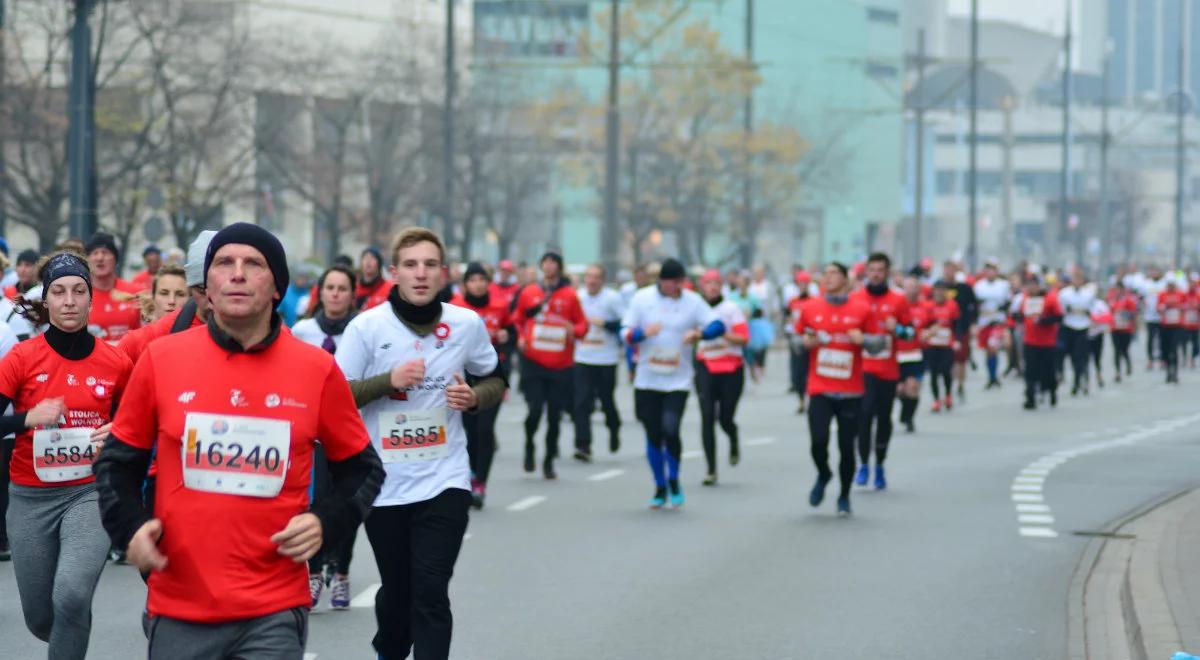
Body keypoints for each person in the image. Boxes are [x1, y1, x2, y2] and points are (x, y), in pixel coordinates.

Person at [94, 223, 384, 660]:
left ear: (276, 287)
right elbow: (117, 462)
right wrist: (130, 528)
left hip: (273, 607)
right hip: (178, 604)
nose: (237, 273)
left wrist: (325, 520)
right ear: (206, 286)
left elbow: (362, 469)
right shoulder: (161, 360)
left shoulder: (316, 370)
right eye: (224, 263)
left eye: (254, 264)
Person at [336, 227, 505, 660]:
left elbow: (494, 377)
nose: (421, 273)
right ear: (394, 272)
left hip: (444, 480)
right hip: (385, 485)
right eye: (411, 264)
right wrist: (387, 381)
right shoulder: (367, 328)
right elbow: (336, 395)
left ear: (444, 272)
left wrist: (473, 398)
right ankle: (389, 649)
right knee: (398, 592)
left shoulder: (466, 324)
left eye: (430, 264)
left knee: (430, 590)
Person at [2, 252, 133, 659]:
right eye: (59, 292)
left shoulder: (116, 361)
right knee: (42, 618)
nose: (70, 300)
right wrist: (25, 419)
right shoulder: (21, 358)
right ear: (47, 301)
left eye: (79, 291)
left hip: (90, 494)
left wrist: (117, 434)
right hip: (29, 498)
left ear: (91, 300)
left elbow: (136, 429)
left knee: (72, 595)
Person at [622, 258, 722, 508]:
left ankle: (674, 479)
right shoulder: (642, 299)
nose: (671, 287)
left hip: (678, 379)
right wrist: (643, 333)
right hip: (647, 378)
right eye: (667, 283)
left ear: (681, 282)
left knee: (671, 428)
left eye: (676, 283)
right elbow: (624, 332)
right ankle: (659, 485)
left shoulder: (692, 300)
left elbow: (718, 325)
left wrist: (699, 334)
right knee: (653, 433)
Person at [290, 264, 360, 610]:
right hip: (312, 433)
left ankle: (342, 572)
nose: (335, 294)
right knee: (315, 501)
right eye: (329, 287)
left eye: (342, 288)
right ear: (321, 292)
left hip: (350, 431)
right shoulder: (303, 330)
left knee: (347, 501)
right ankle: (315, 571)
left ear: (351, 294)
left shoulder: (363, 331)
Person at [796, 262, 876, 516]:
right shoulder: (810, 307)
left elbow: (879, 343)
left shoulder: (862, 309)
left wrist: (864, 340)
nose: (828, 278)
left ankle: (844, 495)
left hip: (851, 389)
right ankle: (824, 473)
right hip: (820, 387)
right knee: (818, 441)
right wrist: (805, 342)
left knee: (845, 447)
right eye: (826, 273)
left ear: (846, 280)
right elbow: (797, 340)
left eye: (834, 274)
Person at [512, 252, 588, 480]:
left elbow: (582, 325)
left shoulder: (569, 295)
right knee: (535, 410)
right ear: (541, 266)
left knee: (554, 415)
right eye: (545, 262)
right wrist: (521, 338)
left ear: (560, 267)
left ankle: (548, 459)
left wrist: (574, 330)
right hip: (534, 362)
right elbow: (517, 319)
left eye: (553, 263)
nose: (549, 266)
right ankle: (529, 445)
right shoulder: (530, 292)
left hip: (561, 365)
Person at [450, 262, 516, 508]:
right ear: (465, 284)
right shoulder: (454, 307)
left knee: (485, 429)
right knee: (468, 429)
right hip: (462, 376)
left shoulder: (499, 305)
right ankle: (469, 474)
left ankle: (481, 482)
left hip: (491, 375)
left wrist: (506, 337)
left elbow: (512, 331)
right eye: (472, 280)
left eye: (481, 279)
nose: (477, 284)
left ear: (488, 283)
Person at [849, 252, 911, 491]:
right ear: (866, 271)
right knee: (864, 416)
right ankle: (863, 464)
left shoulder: (898, 300)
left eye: (880, 270)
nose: (875, 274)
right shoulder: (855, 299)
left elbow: (911, 333)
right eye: (872, 269)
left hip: (888, 370)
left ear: (887, 273)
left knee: (883, 419)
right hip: (863, 368)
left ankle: (880, 465)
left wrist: (898, 330)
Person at [694, 269, 748, 486]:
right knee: (707, 417)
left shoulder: (731, 309)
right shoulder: (696, 309)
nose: (713, 287)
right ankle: (711, 469)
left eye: (717, 283)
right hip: (706, 367)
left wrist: (720, 332)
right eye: (709, 283)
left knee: (725, 418)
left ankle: (733, 435)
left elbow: (743, 338)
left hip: (731, 369)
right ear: (702, 286)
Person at [573, 264, 625, 461]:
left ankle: (614, 427)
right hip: (583, 356)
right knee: (581, 402)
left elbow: (625, 323)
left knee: (606, 401)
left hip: (606, 358)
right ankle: (583, 444)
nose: (592, 281)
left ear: (602, 280)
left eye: (596, 277)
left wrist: (606, 324)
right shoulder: (578, 296)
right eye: (589, 277)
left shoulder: (612, 298)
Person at [1013, 276, 1063, 409]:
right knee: (1030, 370)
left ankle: (1052, 391)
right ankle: (1030, 397)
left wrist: (1043, 321)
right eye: (1029, 285)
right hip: (1030, 340)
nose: (1031, 288)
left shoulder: (1050, 299)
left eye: (1034, 285)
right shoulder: (1025, 299)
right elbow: (1020, 315)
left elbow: (1058, 317)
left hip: (1047, 341)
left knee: (1048, 370)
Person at [84, 232, 142, 343]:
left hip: (128, 357)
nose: (100, 258)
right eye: (95, 253)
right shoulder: (81, 296)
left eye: (105, 253)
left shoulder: (134, 293)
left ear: (115, 259)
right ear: (88, 261)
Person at [939, 261, 977, 400]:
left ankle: (960, 383)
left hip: (962, 327)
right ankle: (950, 384)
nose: (948, 272)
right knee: (949, 359)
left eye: (951, 269)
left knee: (961, 358)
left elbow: (974, 306)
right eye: (946, 269)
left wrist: (973, 324)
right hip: (944, 329)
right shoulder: (939, 288)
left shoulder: (964, 288)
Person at [896, 275, 928, 433]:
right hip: (897, 354)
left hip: (915, 353)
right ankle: (904, 412)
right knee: (899, 389)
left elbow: (935, 324)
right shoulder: (896, 306)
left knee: (913, 388)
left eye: (913, 286)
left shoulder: (925, 307)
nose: (911, 290)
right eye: (907, 286)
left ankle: (909, 418)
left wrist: (928, 332)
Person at [1058, 268, 1097, 395]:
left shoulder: (1089, 294)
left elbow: (1092, 311)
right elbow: (1061, 310)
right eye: (1075, 279)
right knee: (1069, 355)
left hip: (1082, 327)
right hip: (1069, 326)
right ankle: (1070, 377)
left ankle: (1079, 380)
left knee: (1080, 356)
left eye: (1079, 279)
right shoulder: (1064, 293)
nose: (1077, 281)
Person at [973, 261, 1011, 389]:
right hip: (984, 321)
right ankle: (991, 376)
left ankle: (994, 376)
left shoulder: (1003, 285)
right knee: (988, 351)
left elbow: (1008, 302)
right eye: (988, 270)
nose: (990, 272)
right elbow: (975, 304)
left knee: (993, 347)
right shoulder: (979, 286)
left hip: (997, 321)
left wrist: (1003, 308)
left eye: (993, 270)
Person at [923, 281, 960, 412]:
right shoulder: (928, 305)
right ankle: (936, 400)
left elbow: (956, 323)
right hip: (932, 343)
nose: (939, 292)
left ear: (946, 291)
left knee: (946, 370)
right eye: (937, 290)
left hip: (946, 343)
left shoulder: (952, 305)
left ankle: (948, 395)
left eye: (942, 290)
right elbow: (924, 324)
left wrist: (957, 340)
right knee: (933, 373)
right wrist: (929, 330)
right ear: (933, 291)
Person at [785, 271, 812, 413]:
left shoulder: (813, 301)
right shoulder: (792, 301)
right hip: (795, 339)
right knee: (797, 373)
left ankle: (808, 399)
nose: (803, 286)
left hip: (809, 339)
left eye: (805, 283)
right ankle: (801, 401)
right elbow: (787, 316)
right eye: (800, 284)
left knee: (809, 371)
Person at [1157, 278, 1187, 384]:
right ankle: (1168, 372)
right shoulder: (1162, 295)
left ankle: (1175, 373)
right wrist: (1165, 307)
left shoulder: (1181, 294)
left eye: (1172, 285)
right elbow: (1158, 308)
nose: (1170, 287)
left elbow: (1186, 306)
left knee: (1174, 350)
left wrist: (1177, 306)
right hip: (1165, 326)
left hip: (1177, 326)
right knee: (1166, 351)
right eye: (1169, 285)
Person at [1107, 281, 1138, 382]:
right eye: (1116, 289)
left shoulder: (1128, 300)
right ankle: (1117, 372)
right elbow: (1108, 313)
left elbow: (1133, 313)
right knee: (1116, 350)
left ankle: (1128, 364)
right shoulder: (1111, 301)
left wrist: (1124, 313)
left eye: (1119, 289)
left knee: (1124, 350)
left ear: (1123, 290)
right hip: (1115, 329)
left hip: (1126, 329)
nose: (1118, 291)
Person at [1087, 293, 1112, 387]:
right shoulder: (1082, 302)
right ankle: (1085, 379)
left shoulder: (1100, 304)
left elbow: (1108, 317)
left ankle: (1099, 375)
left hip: (1098, 334)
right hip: (1084, 335)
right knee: (1084, 359)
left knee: (1097, 357)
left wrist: (1094, 318)